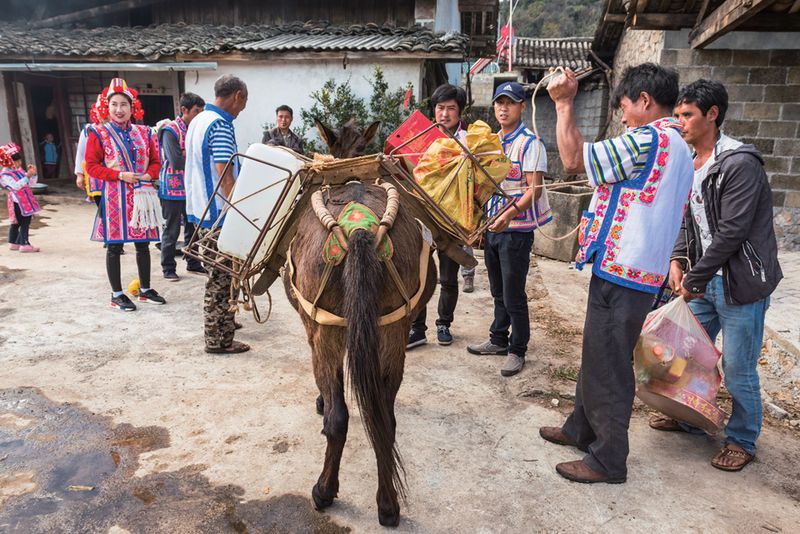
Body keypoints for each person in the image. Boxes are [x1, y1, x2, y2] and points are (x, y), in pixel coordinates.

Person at [538, 64, 693, 484]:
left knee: (608, 365)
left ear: (644, 101)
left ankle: (608, 460)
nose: (622, 117)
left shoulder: (648, 139)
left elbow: (572, 160)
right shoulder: (680, 145)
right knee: (598, 355)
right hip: (639, 271)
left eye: (624, 107)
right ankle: (579, 428)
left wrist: (564, 103)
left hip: (624, 271)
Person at [650, 79, 783, 472]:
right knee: (686, 354)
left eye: (687, 115)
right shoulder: (690, 162)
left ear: (712, 114)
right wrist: (677, 259)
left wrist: (694, 278)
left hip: (740, 284)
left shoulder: (739, 163)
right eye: (676, 115)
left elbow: (732, 232)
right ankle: (693, 419)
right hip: (704, 280)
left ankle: (742, 439)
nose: (679, 123)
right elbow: (685, 220)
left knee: (739, 368)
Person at [466, 82, 550, 377]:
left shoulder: (530, 144)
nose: (503, 108)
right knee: (498, 288)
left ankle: (518, 349)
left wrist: (509, 214)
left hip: (517, 228)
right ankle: (498, 338)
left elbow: (534, 191)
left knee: (514, 291)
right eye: (499, 103)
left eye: (510, 103)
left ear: (522, 107)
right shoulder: (490, 143)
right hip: (493, 226)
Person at [84, 78, 166, 312]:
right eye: (114, 105)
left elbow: (156, 161)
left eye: (124, 105)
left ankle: (146, 289)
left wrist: (149, 175)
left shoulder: (146, 132)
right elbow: (91, 166)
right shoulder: (99, 133)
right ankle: (117, 294)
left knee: (143, 244)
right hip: (114, 198)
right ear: (107, 108)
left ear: (133, 108)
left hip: (143, 195)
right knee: (114, 246)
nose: (119, 110)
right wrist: (119, 176)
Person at [185, 74, 250, 354]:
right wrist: (239, 210)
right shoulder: (221, 125)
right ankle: (217, 341)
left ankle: (224, 327)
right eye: (243, 103)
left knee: (218, 274)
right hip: (218, 214)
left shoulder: (197, 120)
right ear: (237, 95)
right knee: (220, 279)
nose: (242, 109)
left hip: (198, 210)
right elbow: (225, 174)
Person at [407, 84, 475, 349]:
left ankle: (444, 324)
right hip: (422, 216)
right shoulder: (421, 136)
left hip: (452, 219)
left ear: (459, 112)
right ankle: (417, 328)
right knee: (420, 274)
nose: (444, 113)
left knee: (448, 276)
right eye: (440, 108)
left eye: (451, 108)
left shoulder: (469, 141)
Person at [158, 92, 207, 281]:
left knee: (192, 227)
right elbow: (176, 161)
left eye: (201, 111)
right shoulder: (170, 130)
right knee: (171, 229)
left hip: (190, 187)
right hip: (171, 188)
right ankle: (168, 267)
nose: (199, 115)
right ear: (184, 110)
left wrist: (188, 154)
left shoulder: (194, 129)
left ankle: (193, 262)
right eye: (196, 111)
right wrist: (191, 155)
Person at [1, 143, 41, 252]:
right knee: (24, 221)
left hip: (26, 200)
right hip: (17, 201)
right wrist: (27, 176)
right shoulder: (4, 175)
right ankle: (24, 244)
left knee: (18, 221)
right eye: (16, 161)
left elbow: (31, 183)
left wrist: (33, 174)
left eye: (19, 161)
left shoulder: (19, 170)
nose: (19, 163)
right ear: (8, 161)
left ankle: (14, 242)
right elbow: (15, 186)